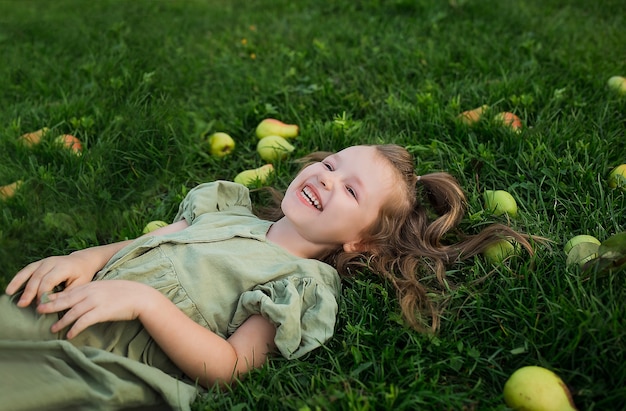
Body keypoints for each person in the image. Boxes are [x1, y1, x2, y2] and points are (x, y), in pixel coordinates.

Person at [1, 144, 535, 411]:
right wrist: (87, 257)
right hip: (73, 303)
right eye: (331, 165)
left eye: (351, 192)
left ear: (362, 243)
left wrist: (144, 302)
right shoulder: (227, 209)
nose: (327, 181)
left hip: (112, 357)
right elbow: (146, 242)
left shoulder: (299, 281)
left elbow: (231, 369)